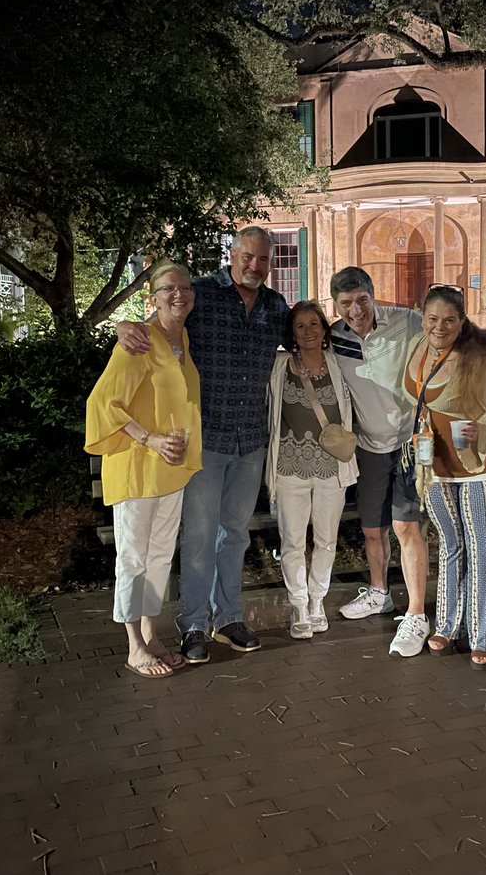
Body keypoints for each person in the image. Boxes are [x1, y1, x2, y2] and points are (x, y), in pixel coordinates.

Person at [116, 226, 286, 664]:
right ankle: (192, 623)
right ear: (232, 254)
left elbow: (312, 339)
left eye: (263, 259)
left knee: (234, 537)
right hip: (204, 440)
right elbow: (161, 323)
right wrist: (123, 325)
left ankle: (227, 618)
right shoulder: (201, 295)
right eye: (247, 256)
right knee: (199, 537)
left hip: (250, 438)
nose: (254, 265)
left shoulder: (276, 306)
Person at [85, 259, 202, 678]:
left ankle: (151, 634)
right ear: (151, 297)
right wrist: (148, 438)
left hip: (171, 469)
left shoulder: (181, 337)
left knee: (158, 557)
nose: (178, 295)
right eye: (168, 288)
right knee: (133, 559)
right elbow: (102, 405)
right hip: (137, 467)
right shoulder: (136, 342)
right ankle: (134, 644)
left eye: (184, 287)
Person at [403, 285, 486, 669]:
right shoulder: (417, 349)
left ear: (461, 322)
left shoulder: (477, 358)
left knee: (481, 550)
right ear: (422, 317)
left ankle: (485, 635)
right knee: (450, 545)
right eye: (433, 319)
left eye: (449, 320)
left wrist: (479, 428)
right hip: (434, 463)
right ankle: (449, 625)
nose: (440, 327)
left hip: (479, 465)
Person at [328, 267, 433, 658]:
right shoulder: (333, 338)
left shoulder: (405, 321)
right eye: (345, 304)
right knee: (373, 529)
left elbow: (451, 337)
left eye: (362, 300)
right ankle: (379, 593)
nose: (355, 310)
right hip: (369, 447)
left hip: (409, 441)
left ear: (373, 295)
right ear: (336, 306)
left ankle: (417, 614)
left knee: (407, 528)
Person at [265, 301, 358, 639]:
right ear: (291, 333)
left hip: (332, 468)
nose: (307, 332)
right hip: (289, 466)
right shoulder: (279, 367)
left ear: (324, 329)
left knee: (326, 540)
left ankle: (318, 600)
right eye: (300, 326)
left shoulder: (339, 366)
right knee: (292, 541)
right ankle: (299, 605)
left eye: (313, 325)